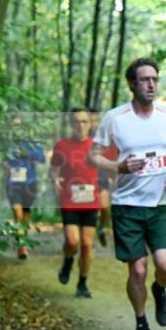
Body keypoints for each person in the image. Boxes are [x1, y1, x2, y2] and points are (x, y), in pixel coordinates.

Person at [88, 58, 166, 330]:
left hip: (161, 204)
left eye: (155, 79)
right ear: (132, 84)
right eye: (145, 80)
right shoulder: (115, 118)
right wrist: (118, 167)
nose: (151, 85)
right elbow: (93, 155)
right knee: (137, 269)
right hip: (127, 205)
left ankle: (160, 290)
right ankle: (141, 323)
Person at [50, 108, 100, 297]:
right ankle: (68, 259)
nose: (81, 125)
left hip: (90, 200)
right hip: (69, 200)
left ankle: (82, 284)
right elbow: (53, 169)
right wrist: (55, 180)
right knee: (72, 242)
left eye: (84, 121)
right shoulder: (61, 145)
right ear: (71, 124)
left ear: (90, 123)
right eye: (77, 122)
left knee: (87, 244)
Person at [3, 115, 45, 259]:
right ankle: (21, 247)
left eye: (19, 125)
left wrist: (26, 153)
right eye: (14, 125)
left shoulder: (32, 143)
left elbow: (41, 158)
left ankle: (23, 240)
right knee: (17, 213)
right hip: (13, 184)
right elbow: (2, 159)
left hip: (30, 184)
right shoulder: (7, 144)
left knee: (25, 215)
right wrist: (5, 166)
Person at [89, 111, 116, 247]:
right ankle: (89, 237)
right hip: (85, 179)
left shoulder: (105, 138)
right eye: (91, 120)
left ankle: (100, 228)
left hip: (102, 178)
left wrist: (111, 176)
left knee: (105, 208)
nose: (94, 124)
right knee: (89, 209)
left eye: (96, 120)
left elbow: (111, 158)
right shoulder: (83, 138)